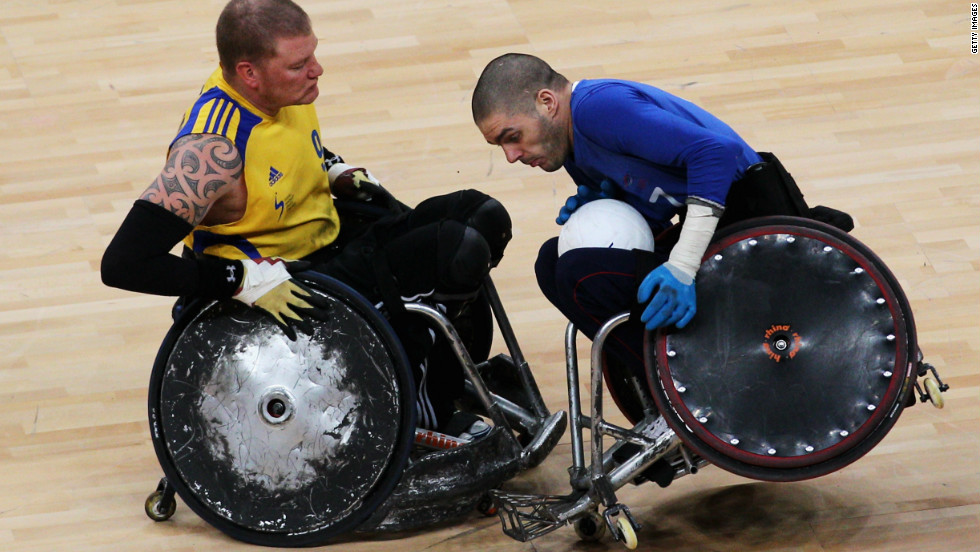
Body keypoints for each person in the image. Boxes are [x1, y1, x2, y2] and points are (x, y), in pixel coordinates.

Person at [102, 0, 511, 439]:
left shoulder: (283, 91)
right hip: (292, 283)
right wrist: (239, 280)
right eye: (300, 64)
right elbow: (124, 263)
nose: (317, 70)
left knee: (482, 215)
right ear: (249, 74)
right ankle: (421, 410)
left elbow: (289, 148)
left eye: (313, 54)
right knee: (454, 250)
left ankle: (444, 369)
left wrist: (331, 168)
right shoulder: (210, 152)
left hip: (333, 240)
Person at [472, 53, 849, 394]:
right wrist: (616, 208)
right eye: (500, 146)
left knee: (580, 273)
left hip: (759, 232)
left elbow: (716, 153)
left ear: (547, 103)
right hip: (712, 231)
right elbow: (658, 210)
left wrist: (683, 266)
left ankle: (692, 393)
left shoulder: (598, 110)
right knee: (553, 261)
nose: (510, 156)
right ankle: (669, 390)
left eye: (513, 137)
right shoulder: (573, 149)